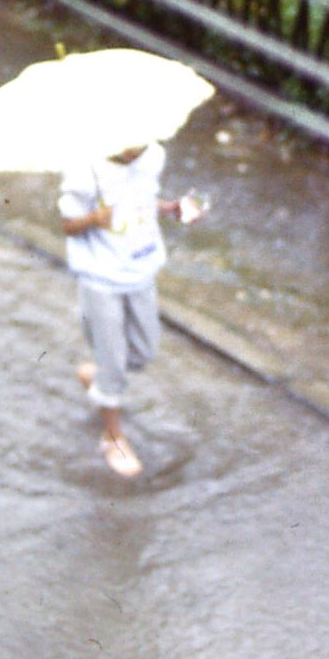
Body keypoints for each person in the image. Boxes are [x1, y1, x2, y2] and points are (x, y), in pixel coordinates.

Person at [58, 140, 206, 480]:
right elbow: (68, 224)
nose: (136, 148)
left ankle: (100, 379)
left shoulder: (152, 156)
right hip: (100, 276)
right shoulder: (84, 168)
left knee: (142, 352)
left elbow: (140, 200)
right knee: (114, 365)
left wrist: (172, 208)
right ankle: (112, 437)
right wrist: (95, 218)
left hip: (140, 268)